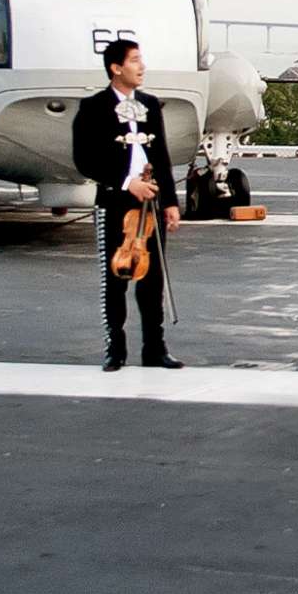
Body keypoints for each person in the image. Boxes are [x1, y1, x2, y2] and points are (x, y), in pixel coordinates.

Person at [72, 38, 183, 370]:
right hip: (116, 202)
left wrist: (170, 202)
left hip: (150, 201)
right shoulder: (92, 107)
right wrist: (125, 181)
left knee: (153, 279)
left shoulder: (150, 103)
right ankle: (115, 349)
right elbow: (84, 159)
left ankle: (155, 348)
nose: (141, 66)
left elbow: (160, 154)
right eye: (134, 60)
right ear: (116, 68)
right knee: (116, 276)